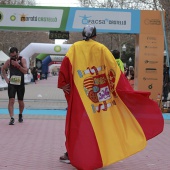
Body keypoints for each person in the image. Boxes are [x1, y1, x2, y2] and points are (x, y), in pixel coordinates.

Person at [57, 25, 163, 170]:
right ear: (95, 35)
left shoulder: (74, 48)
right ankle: (103, 151)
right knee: (103, 125)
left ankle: (72, 153)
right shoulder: (101, 48)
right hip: (101, 98)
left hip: (81, 98)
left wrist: (63, 84)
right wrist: (120, 90)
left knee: (76, 125)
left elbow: (64, 68)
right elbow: (114, 71)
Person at [1, 47, 28, 125]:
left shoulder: (22, 60)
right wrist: (6, 78)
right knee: (11, 100)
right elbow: (2, 69)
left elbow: (25, 71)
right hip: (12, 84)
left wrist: (18, 65)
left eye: (14, 56)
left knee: (20, 101)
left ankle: (20, 114)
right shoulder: (9, 61)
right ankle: (12, 118)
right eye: (11, 56)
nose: (13, 57)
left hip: (20, 84)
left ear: (17, 53)